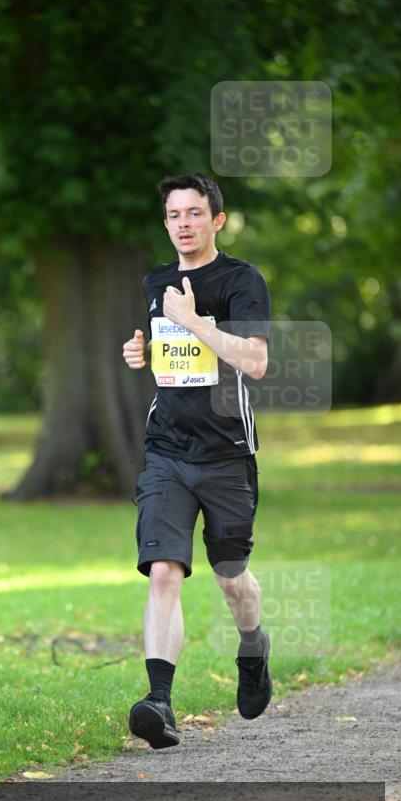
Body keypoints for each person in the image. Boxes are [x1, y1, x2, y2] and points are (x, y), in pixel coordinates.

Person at [122, 173, 271, 749]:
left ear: (217, 220)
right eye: (173, 215)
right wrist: (142, 351)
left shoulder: (241, 280)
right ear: (166, 223)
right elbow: (166, 353)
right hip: (167, 449)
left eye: (193, 213)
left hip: (227, 452)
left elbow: (254, 361)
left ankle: (254, 648)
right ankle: (158, 702)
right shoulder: (156, 281)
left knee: (232, 578)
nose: (183, 223)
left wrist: (192, 322)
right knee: (163, 570)